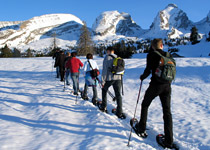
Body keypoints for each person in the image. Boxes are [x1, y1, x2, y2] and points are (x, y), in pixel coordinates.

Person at [134, 39, 174, 148]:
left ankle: (141, 128)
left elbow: (148, 69)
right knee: (167, 112)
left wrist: (142, 77)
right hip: (167, 86)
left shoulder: (151, 55)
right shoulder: (168, 55)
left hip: (156, 85)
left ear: (152, 47)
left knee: (145, 104)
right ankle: (169, 140)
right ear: (162, 45)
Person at [98, 47, 125, 119]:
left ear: (109, 51)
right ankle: (119, 111)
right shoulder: (118, 57)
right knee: (118, 94)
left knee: (104, 90)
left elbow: (104, 70)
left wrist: (103, 81)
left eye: (107, 51)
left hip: (110, 78)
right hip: (118, 78)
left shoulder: (107, 58)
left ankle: (104, 106)